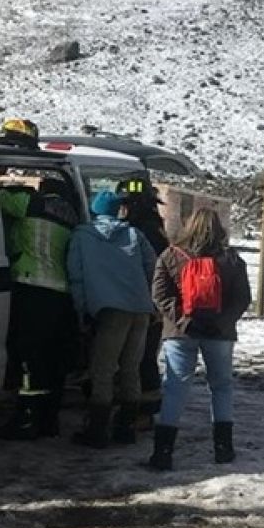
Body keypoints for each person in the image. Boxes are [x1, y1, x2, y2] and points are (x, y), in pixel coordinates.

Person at [147, 209, 251, 471]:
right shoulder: (232, 259)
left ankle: (163, 451)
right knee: (221, 387)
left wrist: (183, 320)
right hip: (220, 334)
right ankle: (223, 447)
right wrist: (222, 322)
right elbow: (242, 298)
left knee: (176, 387)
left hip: (181, 333)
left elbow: (159, 294)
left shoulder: (171, 255)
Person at [67, 191, 156, 449]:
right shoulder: (134, 234)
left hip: (109, 311)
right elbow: (152, 266)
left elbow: (76, 276)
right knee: (130, 368)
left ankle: (97, 430)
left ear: (94, 210)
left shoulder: (82, 236)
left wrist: (82, 310)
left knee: (103, 370)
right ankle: (125, 428)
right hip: (140, 308)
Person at [0, 178, 80, 440]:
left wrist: (10, 188)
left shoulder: (31, 203)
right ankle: (49, 420)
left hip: (32, 287)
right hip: (61, 294)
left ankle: (27, 418)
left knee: (29, 355)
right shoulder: (72, 215)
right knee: (53, 359)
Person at [116, 177, 170, 430]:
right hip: (148, 304)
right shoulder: (154, 227)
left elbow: (153, 271)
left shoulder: (143, 231)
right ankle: (142, 410)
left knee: (142, 358)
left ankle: (144, 413)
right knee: (143, 358)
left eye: (126, 205)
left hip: (146, 305)